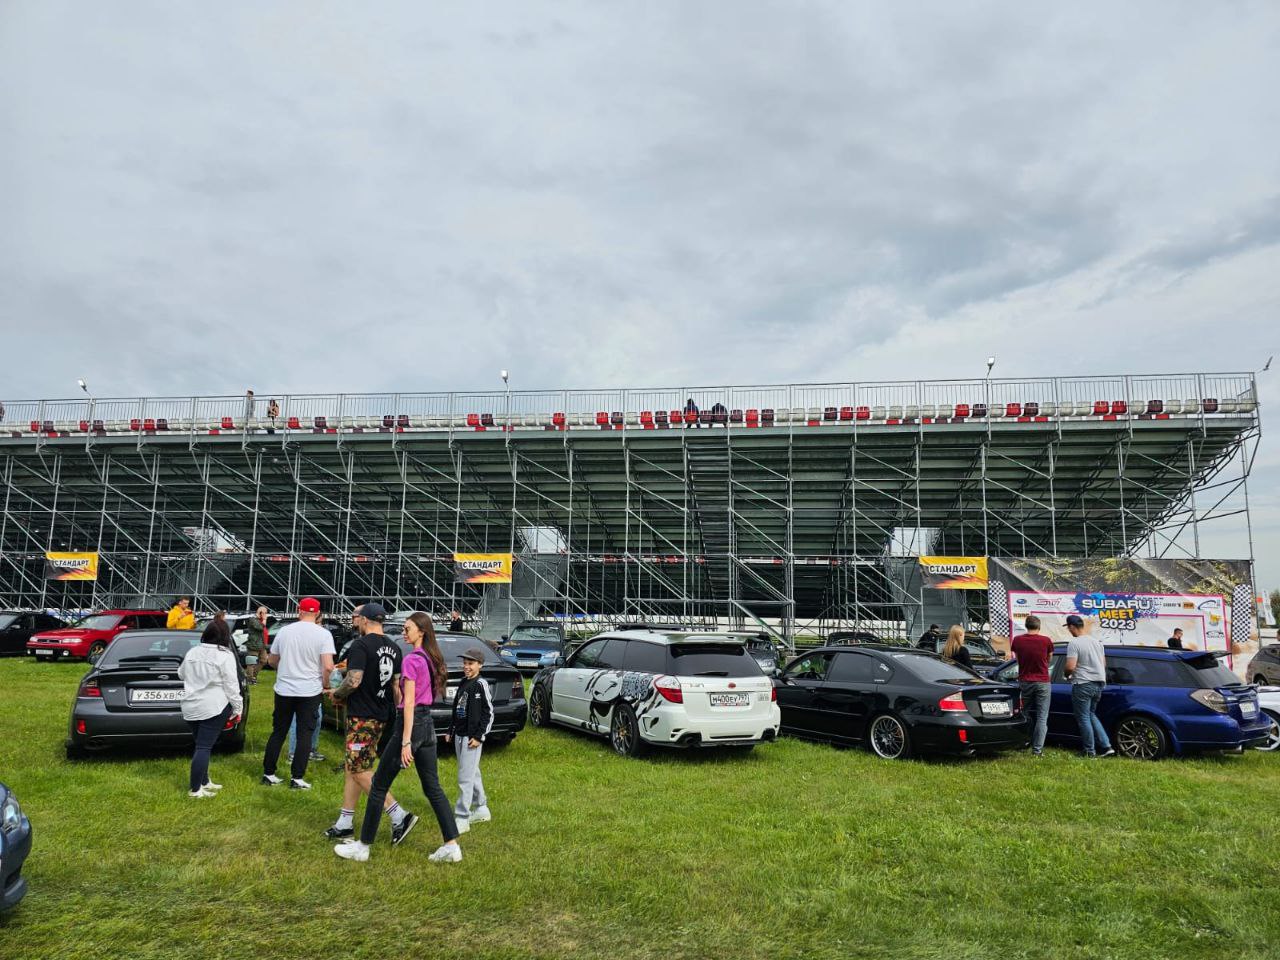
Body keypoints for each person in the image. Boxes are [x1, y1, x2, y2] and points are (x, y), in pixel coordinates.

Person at [335, 613, 461, 863]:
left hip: (411, 725)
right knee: (433, 788)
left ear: (421, 632)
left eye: (407, 629)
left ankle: (363, 847)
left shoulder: (412, 660)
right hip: (427, 726)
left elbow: (409, 702)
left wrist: (405, 742)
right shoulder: (430, 658)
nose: (403, 633)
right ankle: (452, 846)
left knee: (378, 786)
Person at [323, 603, 413, 842]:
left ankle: (399, 815)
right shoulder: (395, 648)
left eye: (357, 619)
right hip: (381, 715)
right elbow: (396, 686)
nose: (356, 623)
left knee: (359, 770)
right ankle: (345, 821)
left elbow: (354, 680)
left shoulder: (360, 645)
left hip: (362, 716)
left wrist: (337, 694)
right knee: (352, 766)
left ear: (364, 620)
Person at [262, 598, 335, 789]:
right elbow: (328, 666)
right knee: (305, 733)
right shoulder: (323, 634)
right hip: (309, 690)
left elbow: (272, 660)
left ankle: (268, 773)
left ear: (298, 610)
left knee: (279, 731)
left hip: (284, 689)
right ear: (318, 613)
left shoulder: (285, 631)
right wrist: (326, 684)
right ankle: (297, 777)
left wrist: (284, 669)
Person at [178, 620, 243, 798]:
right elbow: (232, 686)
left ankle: (204, 781)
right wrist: (238, 708)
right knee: (204, 747)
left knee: (201, 745)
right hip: (214, 706)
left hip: (190, 705)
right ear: (225, 636)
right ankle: (195, 789)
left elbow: (181, 674)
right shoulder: (225, 656)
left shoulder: (193, 651)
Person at [446, 647, 494, 834]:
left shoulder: (481, 684)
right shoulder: (463, 682)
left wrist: (479, 736)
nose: (466, 666)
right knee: (472, 773)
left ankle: (462, 817)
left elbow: (488, 713)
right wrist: (451, 729)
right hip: (459, 735)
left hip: (471, 738)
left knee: (464, 778)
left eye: (471, 663)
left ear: (480, 665)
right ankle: (482, 808)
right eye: (465, 663)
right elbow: (457, 708)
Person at [1063, 614, 1115, 758]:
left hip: (1083, 683)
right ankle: (1106, 746)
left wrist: (1066, 675)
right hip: (1099, 683)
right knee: (1090, 714)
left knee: (1083, 717)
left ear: (1072, 627)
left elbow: (1070, 666)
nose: (1069, 630)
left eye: (1068, 628)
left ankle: (1089, 751)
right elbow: (1103, 663)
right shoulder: (1097, 642)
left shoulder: (1074, 643)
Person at [1010, 615, 1054, 756]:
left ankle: (1022, 743)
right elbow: (1049, 659)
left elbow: (1018, 659)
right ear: (1039, 626)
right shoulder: (1046, 641)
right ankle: (1037, 750)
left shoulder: (1017, 640)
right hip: (1042, 681)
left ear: (1026, 626)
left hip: (1024, 681)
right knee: (1042, 717)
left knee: (1023, 713)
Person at [243, 606, 269, 684]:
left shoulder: (261, 620)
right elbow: (260, 627)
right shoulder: (253, 619)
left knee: (264, 660)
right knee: (251, 662)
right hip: (253, 644)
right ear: (260, 612)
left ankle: (253, 676)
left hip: (262, 645)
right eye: (265, 613)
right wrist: (264, 620)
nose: (266, 615)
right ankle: (250, 679)